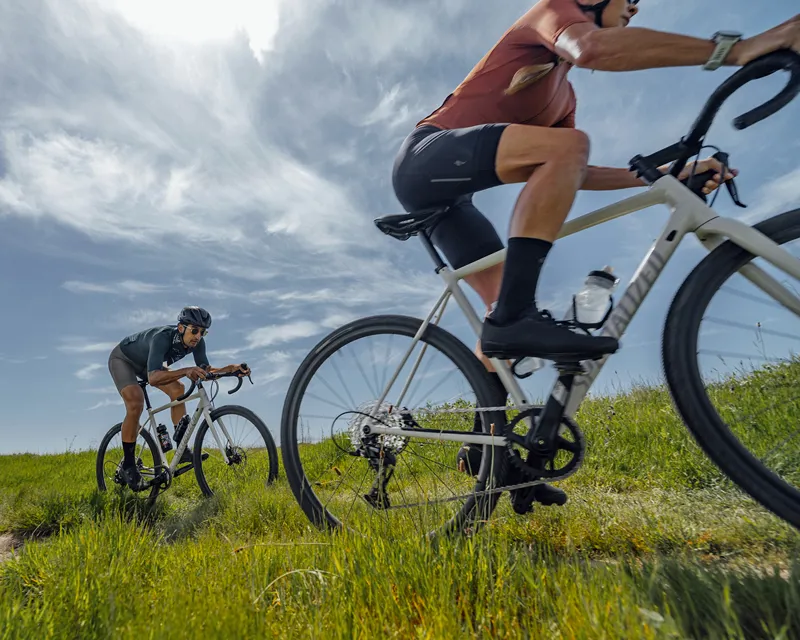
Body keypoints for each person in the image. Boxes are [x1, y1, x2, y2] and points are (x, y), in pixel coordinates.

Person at [392, 0, 800, 511]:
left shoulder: (563, 98)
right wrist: (737, 50)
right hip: (424, 160)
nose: (635, 4)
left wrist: (669, 175)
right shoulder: (549, 13)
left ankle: (491, 456)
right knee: (511, 319)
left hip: (454, 200)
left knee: (499, 314)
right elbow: (590, 49)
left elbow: (574, 169)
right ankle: (513, 323)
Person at [106, 306, 250, 491]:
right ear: (181, 328)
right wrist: (186, 370)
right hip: (123, 360)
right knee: (136, 402)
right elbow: (153, 378)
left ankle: (181, 449)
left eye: (203, 332)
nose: (198, 336)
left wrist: (230, 369)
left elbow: (205, 370)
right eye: (194, 330)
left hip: (149, 364)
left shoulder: (197, 343)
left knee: (178, 389)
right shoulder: (162, 337)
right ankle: (128, 464)